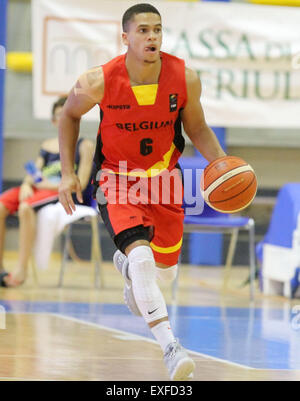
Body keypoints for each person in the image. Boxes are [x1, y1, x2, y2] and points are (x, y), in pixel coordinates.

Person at [58, 3, 226, 381]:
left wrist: (222, 164)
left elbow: (197, 128)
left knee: (163, 274)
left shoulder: (185, 78)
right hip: (116, 180)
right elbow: (69, 115)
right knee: (144, 260)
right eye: (143, 30)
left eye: (157, 30)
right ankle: (171, 346)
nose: (152, 37)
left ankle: (131, 271)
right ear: (126, 37)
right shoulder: (98, 80)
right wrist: (68, 173)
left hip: (165, 181)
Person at [0, 96, 94, 287]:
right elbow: (34, 171)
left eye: (69, 114)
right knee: (1, 206)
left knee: (26, 207)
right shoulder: (46, 146)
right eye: (60, 115)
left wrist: (48, 186)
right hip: (37, 188)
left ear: (77, 118)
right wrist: (27, 184)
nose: (65, 118)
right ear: (53, 121)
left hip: (60, 191)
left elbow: (81, 183)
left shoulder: (85, 145)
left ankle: (21, 270)